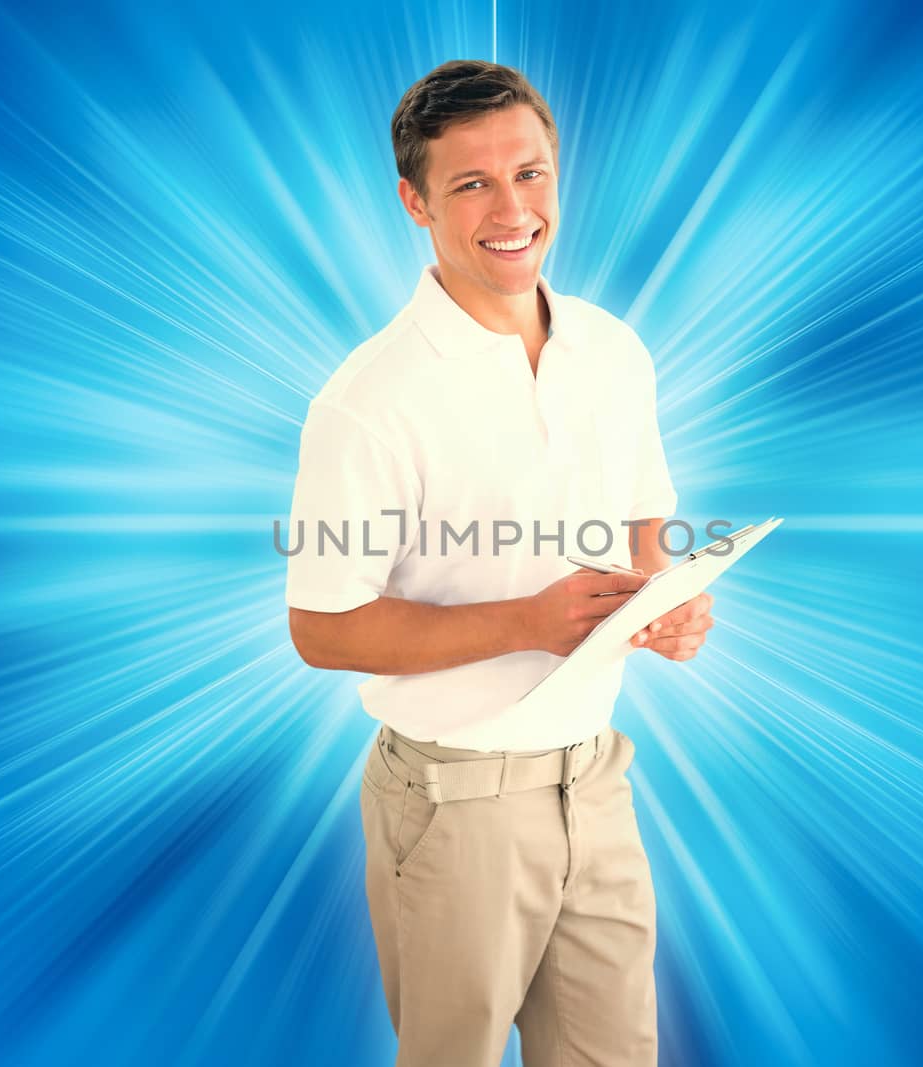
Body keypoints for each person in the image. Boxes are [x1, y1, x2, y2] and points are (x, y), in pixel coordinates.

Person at [283, 59, 714, 1066]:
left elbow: (647, 511)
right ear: (414, 202)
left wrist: (667, 601)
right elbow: (319, 625)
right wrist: (527, 618)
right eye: (471, 183)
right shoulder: (368, 402)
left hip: (596, 779)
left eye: (530, 173)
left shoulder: (613, 349)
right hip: (451, 802)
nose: (511, 208)